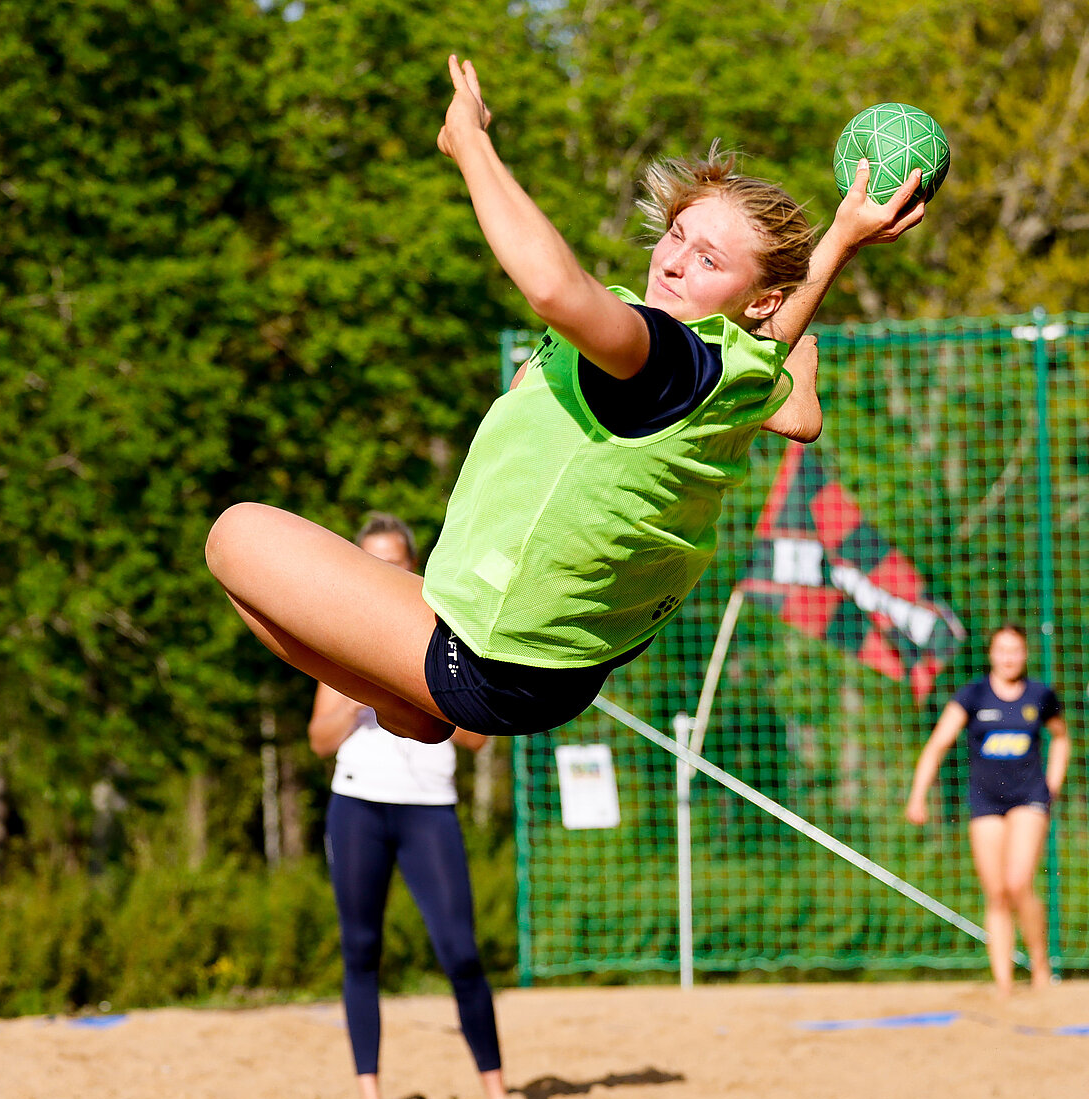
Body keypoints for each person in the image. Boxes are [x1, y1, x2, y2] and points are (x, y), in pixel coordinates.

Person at [206, 54, 925, 744]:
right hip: (561, 669)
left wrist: (469, 147)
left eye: (708, 260)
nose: (674, 260)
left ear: (756, 294)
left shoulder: (661, 358)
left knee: (234, 536)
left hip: (489, 657)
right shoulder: (733, 361)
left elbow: (551, 288)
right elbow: (777, 357)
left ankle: (410, 697)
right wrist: (842, 237)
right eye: (677, 235)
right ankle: (412, 699)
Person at [309, 514, 516, 1099]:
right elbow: (320, 739)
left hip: (429, 809)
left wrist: (431, 690)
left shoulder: (445, 635)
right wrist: (361, 687)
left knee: (460, 952)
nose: (382, 571)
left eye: (393, 562)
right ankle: (370, 1095)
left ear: (413, 566)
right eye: (370, 561)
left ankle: (497, 1091)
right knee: (361, 948)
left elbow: (478, 741)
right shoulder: (338, 637)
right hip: (359, 805)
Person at [904, 626, 1070, 997]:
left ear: (1025, 655)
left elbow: (1061, 737)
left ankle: (1040, 967)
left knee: (1017, 883)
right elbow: (937, 745)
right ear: (991, 654)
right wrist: (917, 796)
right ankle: (1004, 983)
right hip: (986, 802)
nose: (1009, 657)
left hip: (1029, 799)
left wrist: (1052, 785)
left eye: (1016, 650)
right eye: (1002, 650)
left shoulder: (1039, 695)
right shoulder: (972, 695)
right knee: (996, 891)